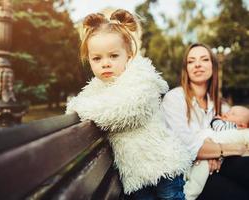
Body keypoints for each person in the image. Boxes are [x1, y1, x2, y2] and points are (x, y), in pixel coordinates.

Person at [66, 9, 192, 200]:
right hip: (135, 175)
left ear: (129, 54)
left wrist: (82, 108)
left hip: (164, 167)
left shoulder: (141, 79)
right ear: (89, 60)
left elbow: (126, 112)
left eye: (113, 56)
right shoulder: (98, 87)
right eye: (97, 58)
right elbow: (74, 109)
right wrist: (77, 107)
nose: (105, 64)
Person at [162, 43, 249, 200]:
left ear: (213, 66)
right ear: (186, 69)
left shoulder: (222, 106)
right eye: (191, 61)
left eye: (204, 59)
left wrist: (214, 152)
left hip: (221, 165)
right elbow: (188, 146)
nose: (197, 64)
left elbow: (240, 132)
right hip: (189, 177)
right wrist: (227, 149)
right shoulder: (174, 99)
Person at [183, 105, 249, 200]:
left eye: (233, 114)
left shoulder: (231, 127)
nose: (227, 114)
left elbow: (219, 127)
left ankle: (189, 193)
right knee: (199, 176)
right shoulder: (223, 123)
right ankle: (188, 194)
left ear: (242, 125)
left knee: (198, 178)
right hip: (207, 151)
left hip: (217, 153)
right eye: (229, 111)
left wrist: (216, 120)